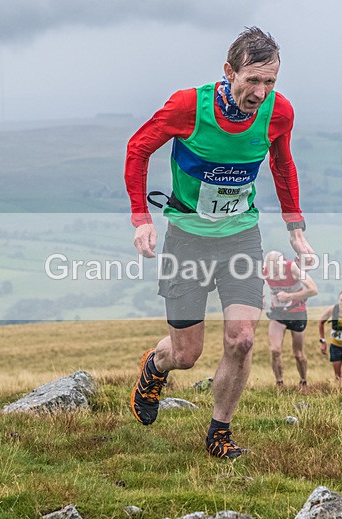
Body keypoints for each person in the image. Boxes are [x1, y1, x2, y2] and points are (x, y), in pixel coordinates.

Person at [124, 28, 314, 459]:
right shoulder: (189, 107)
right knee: (187, 353)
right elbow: (138, 149)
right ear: (229, 71)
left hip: (240, 237)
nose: (261, 92)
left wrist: (295, 226)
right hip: (187, 238)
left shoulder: (278, 113)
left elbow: (282, 164)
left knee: (243, 338)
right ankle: (155, 366)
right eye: (253, 80)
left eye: (270, 82)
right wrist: (141, 218)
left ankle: (219, 433)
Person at [263, 250, 318, 389]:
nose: (274, 275)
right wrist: (260, 298)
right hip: (278, 313)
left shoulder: (292, 268)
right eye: (272, 271)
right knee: (275, 350)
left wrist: (289, 296)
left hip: (297, 312)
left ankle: (303, 381)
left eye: (277, 271)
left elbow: (313, 290)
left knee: (298, 354)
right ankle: (279, 384)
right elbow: (255, 286)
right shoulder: (264, 270)